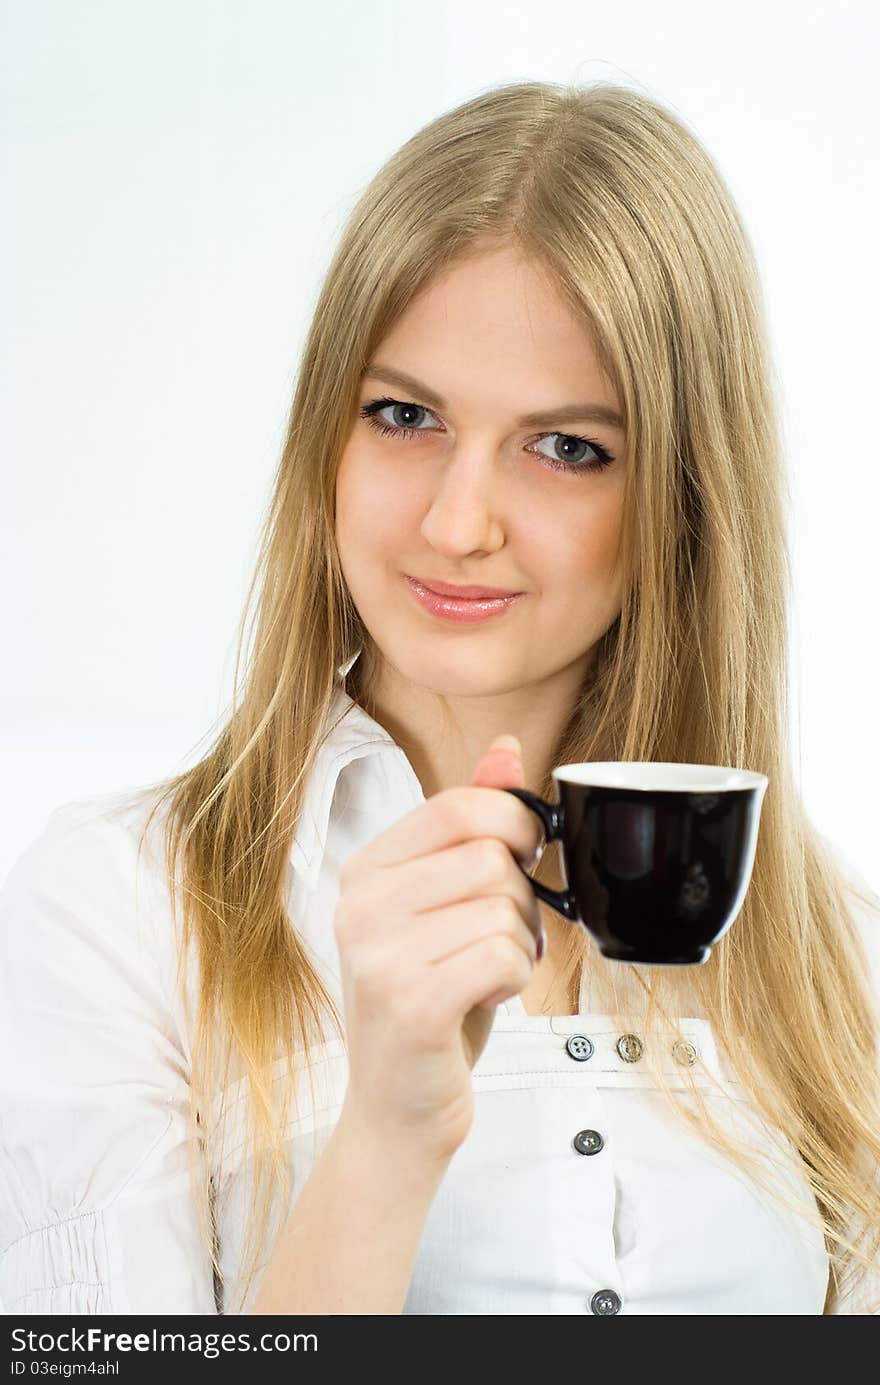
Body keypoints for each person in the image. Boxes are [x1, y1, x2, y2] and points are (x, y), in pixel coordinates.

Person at [1, 78, 878, 1318]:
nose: (455, 523)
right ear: (327, 438)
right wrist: (386, 1134)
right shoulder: (117, 911)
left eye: (568, 445)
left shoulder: (837, 955)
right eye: (403, 415)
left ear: (684, 497)